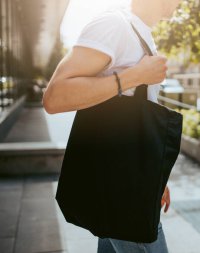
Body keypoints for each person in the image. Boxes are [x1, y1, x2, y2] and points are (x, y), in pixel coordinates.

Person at [42, 0, 182, 252]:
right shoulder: (114, 25)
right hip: (123, 187)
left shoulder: (140, 34)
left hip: (126, 178)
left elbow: (139, 116)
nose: (180, 3)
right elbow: (54, 97)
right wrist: (136, 76)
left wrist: (155, 175)